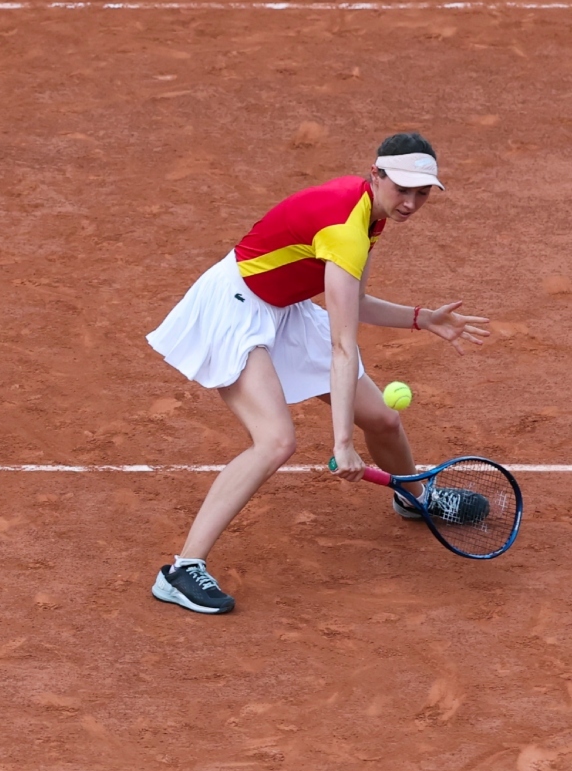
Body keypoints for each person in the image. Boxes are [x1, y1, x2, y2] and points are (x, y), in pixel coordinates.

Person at [147, 132, 489, 615]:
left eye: (423, 192)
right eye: (402, 188)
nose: (411, 202)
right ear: (377, 174)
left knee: (385, 420)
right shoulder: (346, 227)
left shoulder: (371, 214)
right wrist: (341, 443)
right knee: (275, 441)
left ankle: (414, 498)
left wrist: (422, 317)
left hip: (282, 308)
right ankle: (182, 570)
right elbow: (342, 346)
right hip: (236, 307)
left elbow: (356, 303)